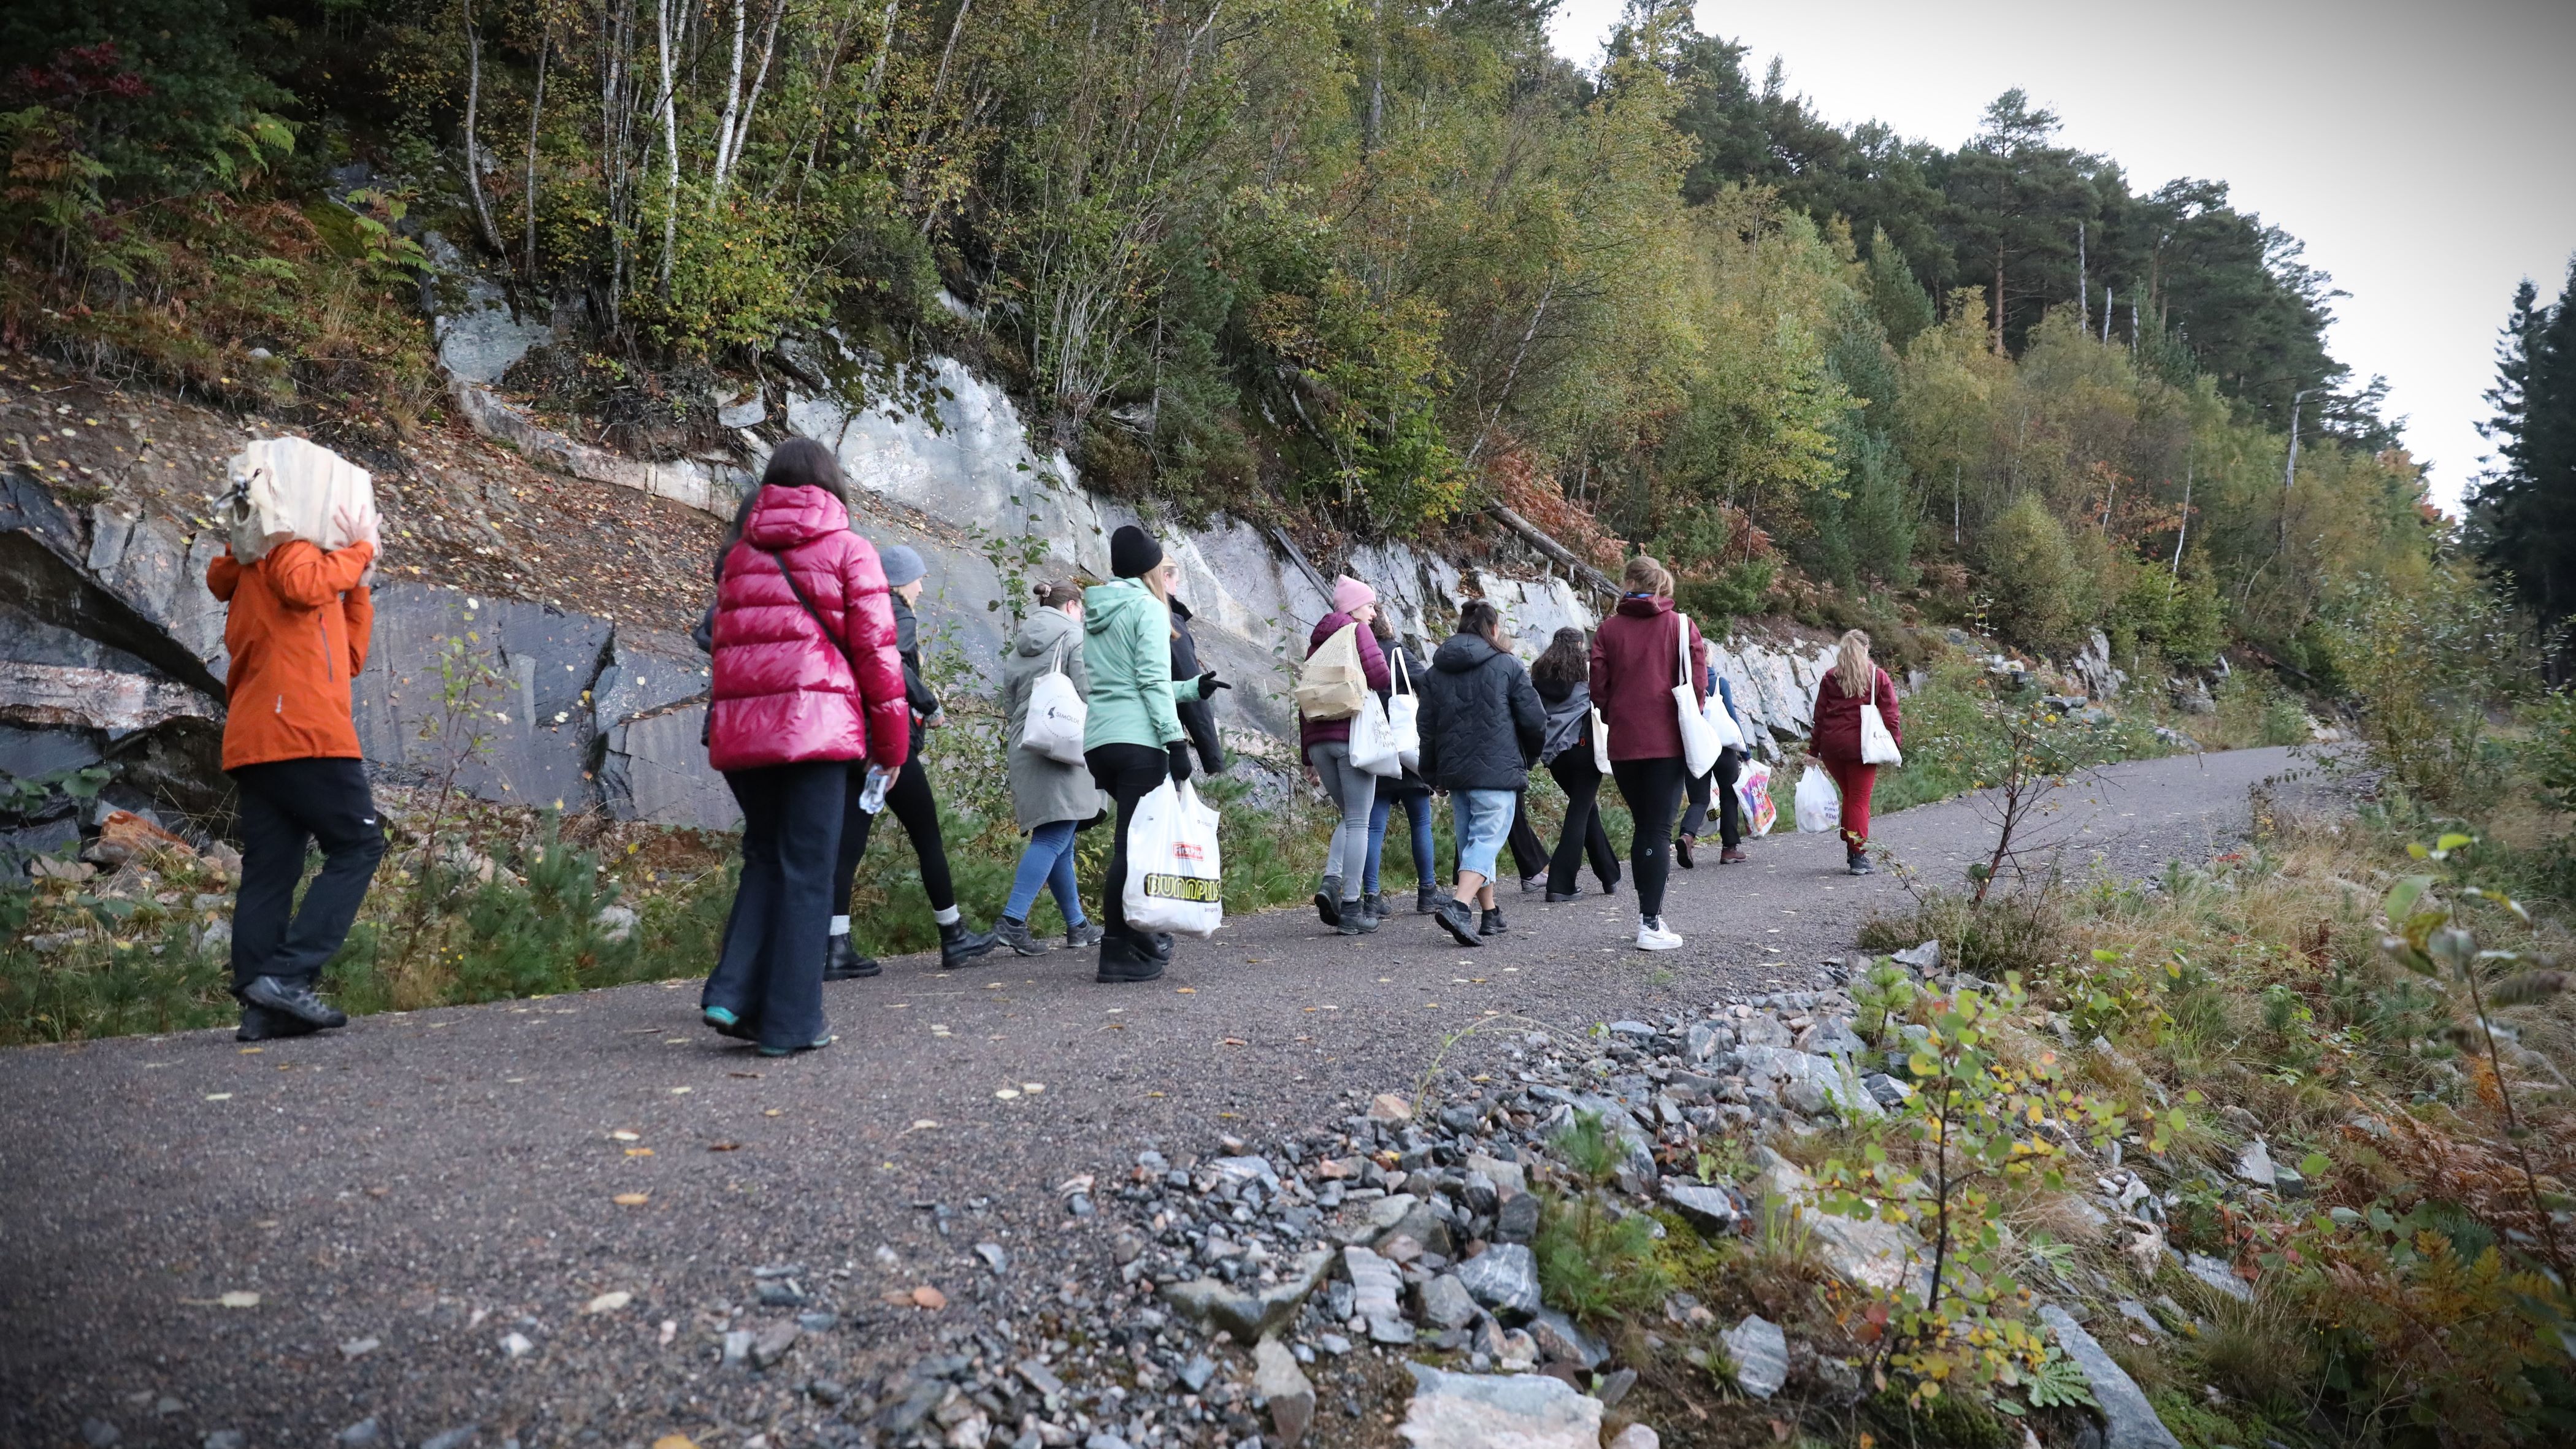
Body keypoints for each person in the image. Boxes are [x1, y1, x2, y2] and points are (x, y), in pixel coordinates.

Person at [700, 438, 910, 1054]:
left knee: (766, 856)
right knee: (810, 872)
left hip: (745, 734)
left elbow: (723, 646)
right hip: (817, 732)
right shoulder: (850, 549)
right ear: (830, 484)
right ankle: (791, 1022)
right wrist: (892, 749)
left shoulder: (740, 556)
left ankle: (732, 995)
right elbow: (878, 658)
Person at [206, 499, 386, 1041]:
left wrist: (358, 585)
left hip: (260, 738)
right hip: (302, 731)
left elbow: (347, 658)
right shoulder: (286, 544)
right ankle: (287, 976)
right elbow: (303, 584)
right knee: (358, 845)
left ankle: (263, 1007)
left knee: (272, 869)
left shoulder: (277, 568)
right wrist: (361, 548)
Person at [823, 543, 1000, 975]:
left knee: (848, 845)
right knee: (928, 839)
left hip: (853, 743)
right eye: (919, 579)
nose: (921, 587)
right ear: (902, 580)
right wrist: (930, 703)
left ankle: (836, 946)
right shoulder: (896, 612)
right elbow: (890, 667)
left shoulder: (853, 613)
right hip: (888, 747)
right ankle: (954, 936)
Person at [1083, 525, 1217, 982]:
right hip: (1139, 741)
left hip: (1101, 742)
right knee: (1131, 850)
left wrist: (1192, 688)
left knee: (1131, 844)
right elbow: (1151, 683)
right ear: (1150, 569)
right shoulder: (1148, 608)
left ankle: (1137, 940)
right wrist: (1176, 742)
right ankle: (1118, 951)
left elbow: (1128, 682)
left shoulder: (1099, 608)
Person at [1590, 554, 1706, 952]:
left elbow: (1598, 689)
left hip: (1624, 743)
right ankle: (1650, 922)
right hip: (1666, 741)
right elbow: (1698, 684)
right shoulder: (1680, 625)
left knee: (1645, 826)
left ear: (1627, 582)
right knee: (1656, 828)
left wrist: (1619, 715)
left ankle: (1649, 915)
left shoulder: (1608, 630)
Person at [1416, 599, 1546, 946]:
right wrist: (1528, 757)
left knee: (1473, 843)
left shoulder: (1436, 673)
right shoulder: (1508, 665)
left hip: (1456, 773)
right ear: (1494, 629)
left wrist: (1431, 772)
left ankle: (1490, 913)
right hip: (1497, 770)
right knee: (1486, 842)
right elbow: (1535, 720)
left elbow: (1426, 727)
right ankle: (1459, 907)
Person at [994, 579, 1108, 955]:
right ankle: (1012, 921)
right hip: (1063, 746)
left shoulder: (1021, 645)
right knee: (1054, 836)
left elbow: (1010, 701)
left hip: (1027, 742)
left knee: (1061, 836)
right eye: (1082, 609)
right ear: (1072, 606)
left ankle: (1077, 925)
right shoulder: (1074, 637)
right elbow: (1089, 692)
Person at [1300, 574, 1392, 935]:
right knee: (1359, 822)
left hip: (1319, 740)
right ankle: (1352, 908)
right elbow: (1380, 676)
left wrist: (1308, 756)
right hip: (1352, 736)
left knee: (1348, 815)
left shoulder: (1317, 642)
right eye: (1370, 605)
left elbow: (1306, 695)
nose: (1373, 613)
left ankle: (1330, 881)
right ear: (1354, 607)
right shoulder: (1357, 631)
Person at [1530, 626, 1621, 901]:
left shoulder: (1538, 674)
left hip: (1554, 755)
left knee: (1586, 809)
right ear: (1580, 645)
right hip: (1584, 749)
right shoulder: (1586, 671)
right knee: (1580, 812)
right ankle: (1561, 883)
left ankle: (1609, 874)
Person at [1361, 611, 1438, 919]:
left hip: (1375, 747)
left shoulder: (1360, 653)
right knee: (1420, 821)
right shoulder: (1396, 651)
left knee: (1373, 826)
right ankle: (1428, 892)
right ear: (1386, 625)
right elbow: (1428, 683)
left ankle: (1371, 896)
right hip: (1406, 748)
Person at [1807, 629, 1902, 875]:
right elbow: (1891, 715)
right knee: (1859, 799)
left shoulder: (1830, 677)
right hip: (1862, 747)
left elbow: (1820, 717)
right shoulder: (1877, 677)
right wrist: (1895, 745)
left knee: (1850, 796)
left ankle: (1851, 845)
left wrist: (1813, 751)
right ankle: (1858, 856)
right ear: (1866, 649)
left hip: (1832, 747)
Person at [1677, 666, 1752, 866]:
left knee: (1699, 800)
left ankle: (1687, 837)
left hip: (1695, 750)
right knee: (1729, 796)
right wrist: (1745, 753)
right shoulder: (1719, 683)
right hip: (1723, 749)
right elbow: (1732, 718)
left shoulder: (1682, 685)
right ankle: (1729, 849)